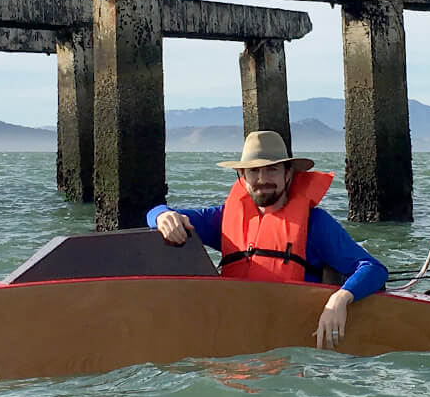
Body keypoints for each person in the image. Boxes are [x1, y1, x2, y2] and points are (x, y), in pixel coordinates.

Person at [148, 130, 387, 351]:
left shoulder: (315, 224)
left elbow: (373, 269)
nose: (262, 179)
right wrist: (163, 215)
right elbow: (155, 213)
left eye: (272, 169)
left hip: (292, 349)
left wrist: (340, 299)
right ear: (242, 176)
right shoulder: (221, 219)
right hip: (235, 342)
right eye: (254, 171)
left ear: (288, 173)